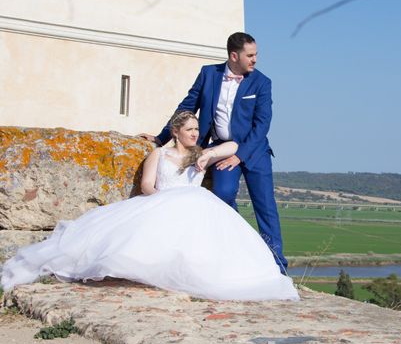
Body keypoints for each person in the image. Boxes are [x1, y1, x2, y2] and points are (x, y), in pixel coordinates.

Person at [1, 111, 299, 301]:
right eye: (190, 129)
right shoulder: (159, 154)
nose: (195, 133)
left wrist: (209, 153)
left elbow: (234, 146)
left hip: (198, 205)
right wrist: (162, 201)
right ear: (177, 131)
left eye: (197, 129)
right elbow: (146, 186)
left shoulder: (200, 155)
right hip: (164, 201)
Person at [139, 32, 287, 273]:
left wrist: (240, 155)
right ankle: (243, 249)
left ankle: (278, 266)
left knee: (266, 207)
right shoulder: (209, 74)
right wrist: (161, 137)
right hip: (219, 149)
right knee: (222, 193)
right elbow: (187, 107)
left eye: (256, 54)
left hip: (253, 151)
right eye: (250, 55)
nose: (255, 60)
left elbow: (262, 124)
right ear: (234, 55)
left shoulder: (262, 82)